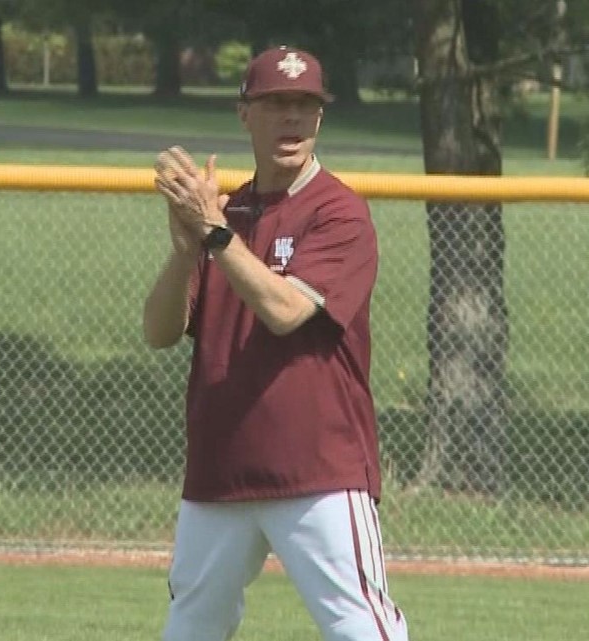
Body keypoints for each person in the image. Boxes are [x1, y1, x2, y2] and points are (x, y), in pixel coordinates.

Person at [143, 45, 408, 641]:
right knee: (191, 626)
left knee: (362, 627)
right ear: (245, 114)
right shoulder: (227, 212)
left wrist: (213, 234)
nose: (291, 119)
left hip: (317, 468)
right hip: (221, 470)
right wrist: (186, 251)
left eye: (304, 105)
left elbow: (286, 311)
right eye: (275, 104)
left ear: (319, 118)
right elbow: (159, 332)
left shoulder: (339, 213)